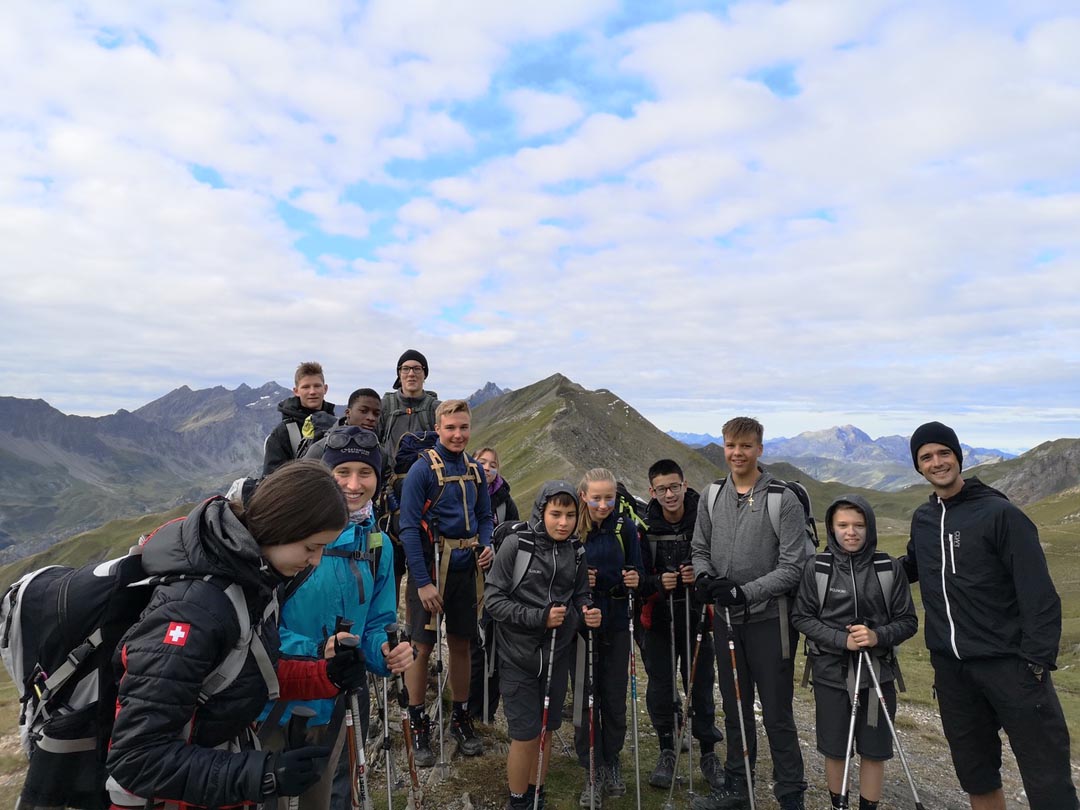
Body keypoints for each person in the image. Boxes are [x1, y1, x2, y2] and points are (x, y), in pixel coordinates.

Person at [106, 461, 368, 808]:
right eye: (311, 547)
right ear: (281, 527)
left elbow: (244, 672)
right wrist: (261, 774)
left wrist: (325, 674)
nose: (316, 561)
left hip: (214, 785)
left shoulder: (253, 580)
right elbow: (136, 758)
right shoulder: (193, 610)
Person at [905, 421, 1077, 810]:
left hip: (1011, 667)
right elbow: (913, 566)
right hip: (953, 671)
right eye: (926, 457)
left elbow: (1039, 593)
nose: (937, 462)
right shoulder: (924, 519)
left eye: (944, 453)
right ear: (918, 467)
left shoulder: (1000, 514)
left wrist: (1035, 664)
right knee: (976, 774)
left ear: (958, 457)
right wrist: (856, 566)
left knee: (1048, 780)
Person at [261, 427, 415, 810]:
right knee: (266, 796)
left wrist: (384, 652)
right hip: (273, 698)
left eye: (365, 472)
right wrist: (315, 649)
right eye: (342, 471)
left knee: (328, 797)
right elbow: (258, 627)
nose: (353, 483)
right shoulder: (288, 536)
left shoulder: (377, 545)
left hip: (337, 699)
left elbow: (378, 620)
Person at [691, 416, 809, 810]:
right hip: (726, 621)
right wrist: (707, 578)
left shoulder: (782, 498)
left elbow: (793, 567)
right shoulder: (711, 495)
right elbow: (699, 548)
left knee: (776, 711)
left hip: (769, 621)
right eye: (730, 445)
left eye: (745, 446)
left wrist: (743, 592)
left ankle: (790, 793)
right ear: (723, 447)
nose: (737, 453)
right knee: (735, 704)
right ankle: (738, 787)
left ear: (760, 448)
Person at [791, 495, 917, 810]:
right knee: (836, 749)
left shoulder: (889, 568)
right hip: (830, 673)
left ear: (869, 527)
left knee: (875, 750)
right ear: (831, 528)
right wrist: (840, 639)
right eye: (843, 525)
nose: (851, 532)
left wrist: (877, 636)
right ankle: (839, 805)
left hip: (878, 675)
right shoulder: (817, 568)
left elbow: (908, 621)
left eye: (859, 525)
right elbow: (801, 617)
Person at [485, 481, 602, 810]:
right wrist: (539, 617)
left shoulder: (576, 552)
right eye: (555, 514)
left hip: (556, 655)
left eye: (569, 515)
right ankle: (518, 800)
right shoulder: (516, 546)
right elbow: (494, 601)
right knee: (524, 734)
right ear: (541, 512)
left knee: (547, 728)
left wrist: (587, 613)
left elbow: (580, 596)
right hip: (517, 656)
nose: (563, 522)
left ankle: (536, 791)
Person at [399, 399, 493, 764]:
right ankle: (418, 721)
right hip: (430, 568)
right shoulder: (422, 471)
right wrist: (422, 582)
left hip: (465, 569)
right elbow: (409, 528)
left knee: (461, 643)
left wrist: (486, 544)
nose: (458, 434)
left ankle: (461, 715)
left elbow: (485, 515)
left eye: (464, 427)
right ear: (438, 427)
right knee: (421, 647)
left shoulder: (475, 470)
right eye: (451, 427)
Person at [639, 459, 723, 791]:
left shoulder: (705, 520)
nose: (670, 494)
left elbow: (718, 562)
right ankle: (666, 750)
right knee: (660, 688)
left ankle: (708, 753)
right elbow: (638, 578)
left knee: (700, 687)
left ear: (685, 485)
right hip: (658, 622)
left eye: (675, 486)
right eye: (662, 489)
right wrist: (659, 581)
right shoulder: (645, 528)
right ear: (652, 491)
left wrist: (699, 576)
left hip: (698, 618)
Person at [572, 467, 646, 807]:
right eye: (597, 497)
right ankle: (592, 764)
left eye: (609, 497)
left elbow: (638, 569)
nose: (603, 504)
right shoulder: (573, 529)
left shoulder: (625, 526)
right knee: (587, 697)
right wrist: (578, 579)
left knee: (614, 696)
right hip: (582, 624)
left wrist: (635, 579)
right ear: (584, 495)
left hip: (617, 621)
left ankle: (612, 759)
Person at [468, 446, 521, 722]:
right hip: (467, 582)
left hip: (497, 585)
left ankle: (486, 713)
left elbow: (516, 540)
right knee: (472, 647)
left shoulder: (505, 501)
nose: (487, 467)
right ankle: (469, 709)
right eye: (482, 461)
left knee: (493, 646)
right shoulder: (461, 492)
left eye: (493, 464)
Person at [263, 362, 337, 476]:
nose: (312, 392)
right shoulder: (283, 432)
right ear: (296, 391)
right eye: (306, 387)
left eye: (317, 386)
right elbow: (272, 479)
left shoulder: (338, 426)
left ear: (325, 388)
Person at [376, 349, 440, 461]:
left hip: (428, 476)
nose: (411, 374)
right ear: (399, 374)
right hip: (390, 476)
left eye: (417, 369)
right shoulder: (384, 406)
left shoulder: (437, 409)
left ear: (424, 375)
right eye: (405, 369)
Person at [302, 388, 382, 462]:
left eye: (376, 414)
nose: (371, 418)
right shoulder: (321, 449)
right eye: (364, 411)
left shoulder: (381, 454)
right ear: (348, 413)